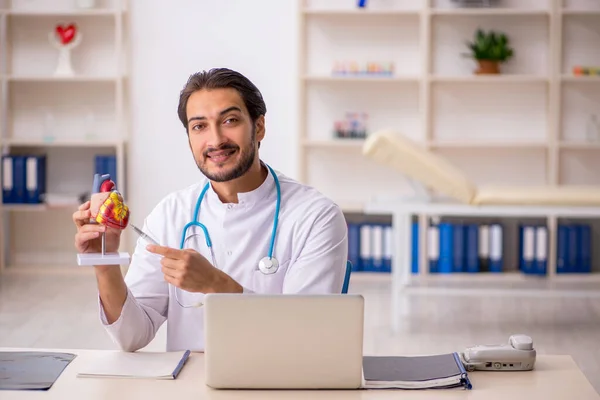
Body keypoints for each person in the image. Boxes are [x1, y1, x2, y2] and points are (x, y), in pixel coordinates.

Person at [73, 68, 349, 352]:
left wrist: (217, 284)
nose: (215, 140)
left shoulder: (316, 216)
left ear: (259, 127)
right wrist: (105, 266)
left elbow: (308, 336)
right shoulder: (171, 214)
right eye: (199, 126)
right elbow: (132, 336)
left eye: (230, 120)